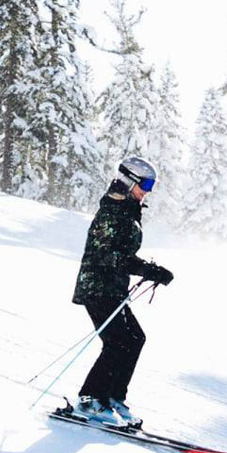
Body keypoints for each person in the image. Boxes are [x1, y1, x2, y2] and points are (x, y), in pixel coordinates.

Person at [71, 156, 173, 428]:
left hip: (112, 287)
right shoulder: (112, 210)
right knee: (118, 342)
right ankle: (91, 398)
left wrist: (148, 269)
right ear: (129, 181)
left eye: (152, 185)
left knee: (135, 338)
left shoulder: (128, 209)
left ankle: (113, 396)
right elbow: (109, 255)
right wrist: (147, 269)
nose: (148, 190)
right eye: (146, 184)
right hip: (97, 286)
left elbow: (123, 254)